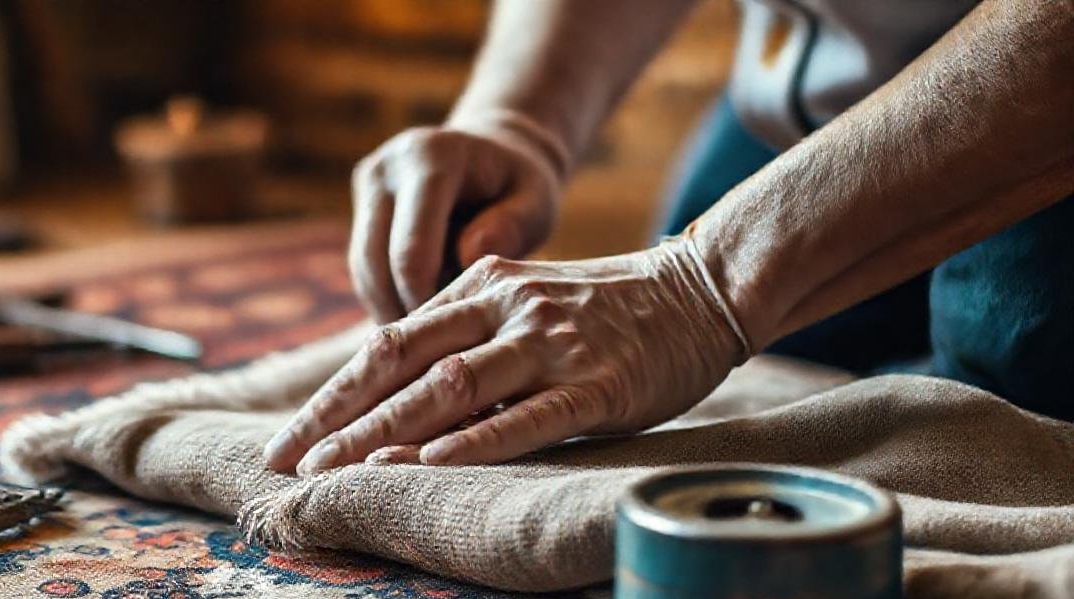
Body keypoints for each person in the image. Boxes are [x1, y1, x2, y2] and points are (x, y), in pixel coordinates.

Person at [264, 0, 1073, 476]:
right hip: (810, 87)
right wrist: (518, 122)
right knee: (619, 369)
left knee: (1010, 386)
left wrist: (700, 285)